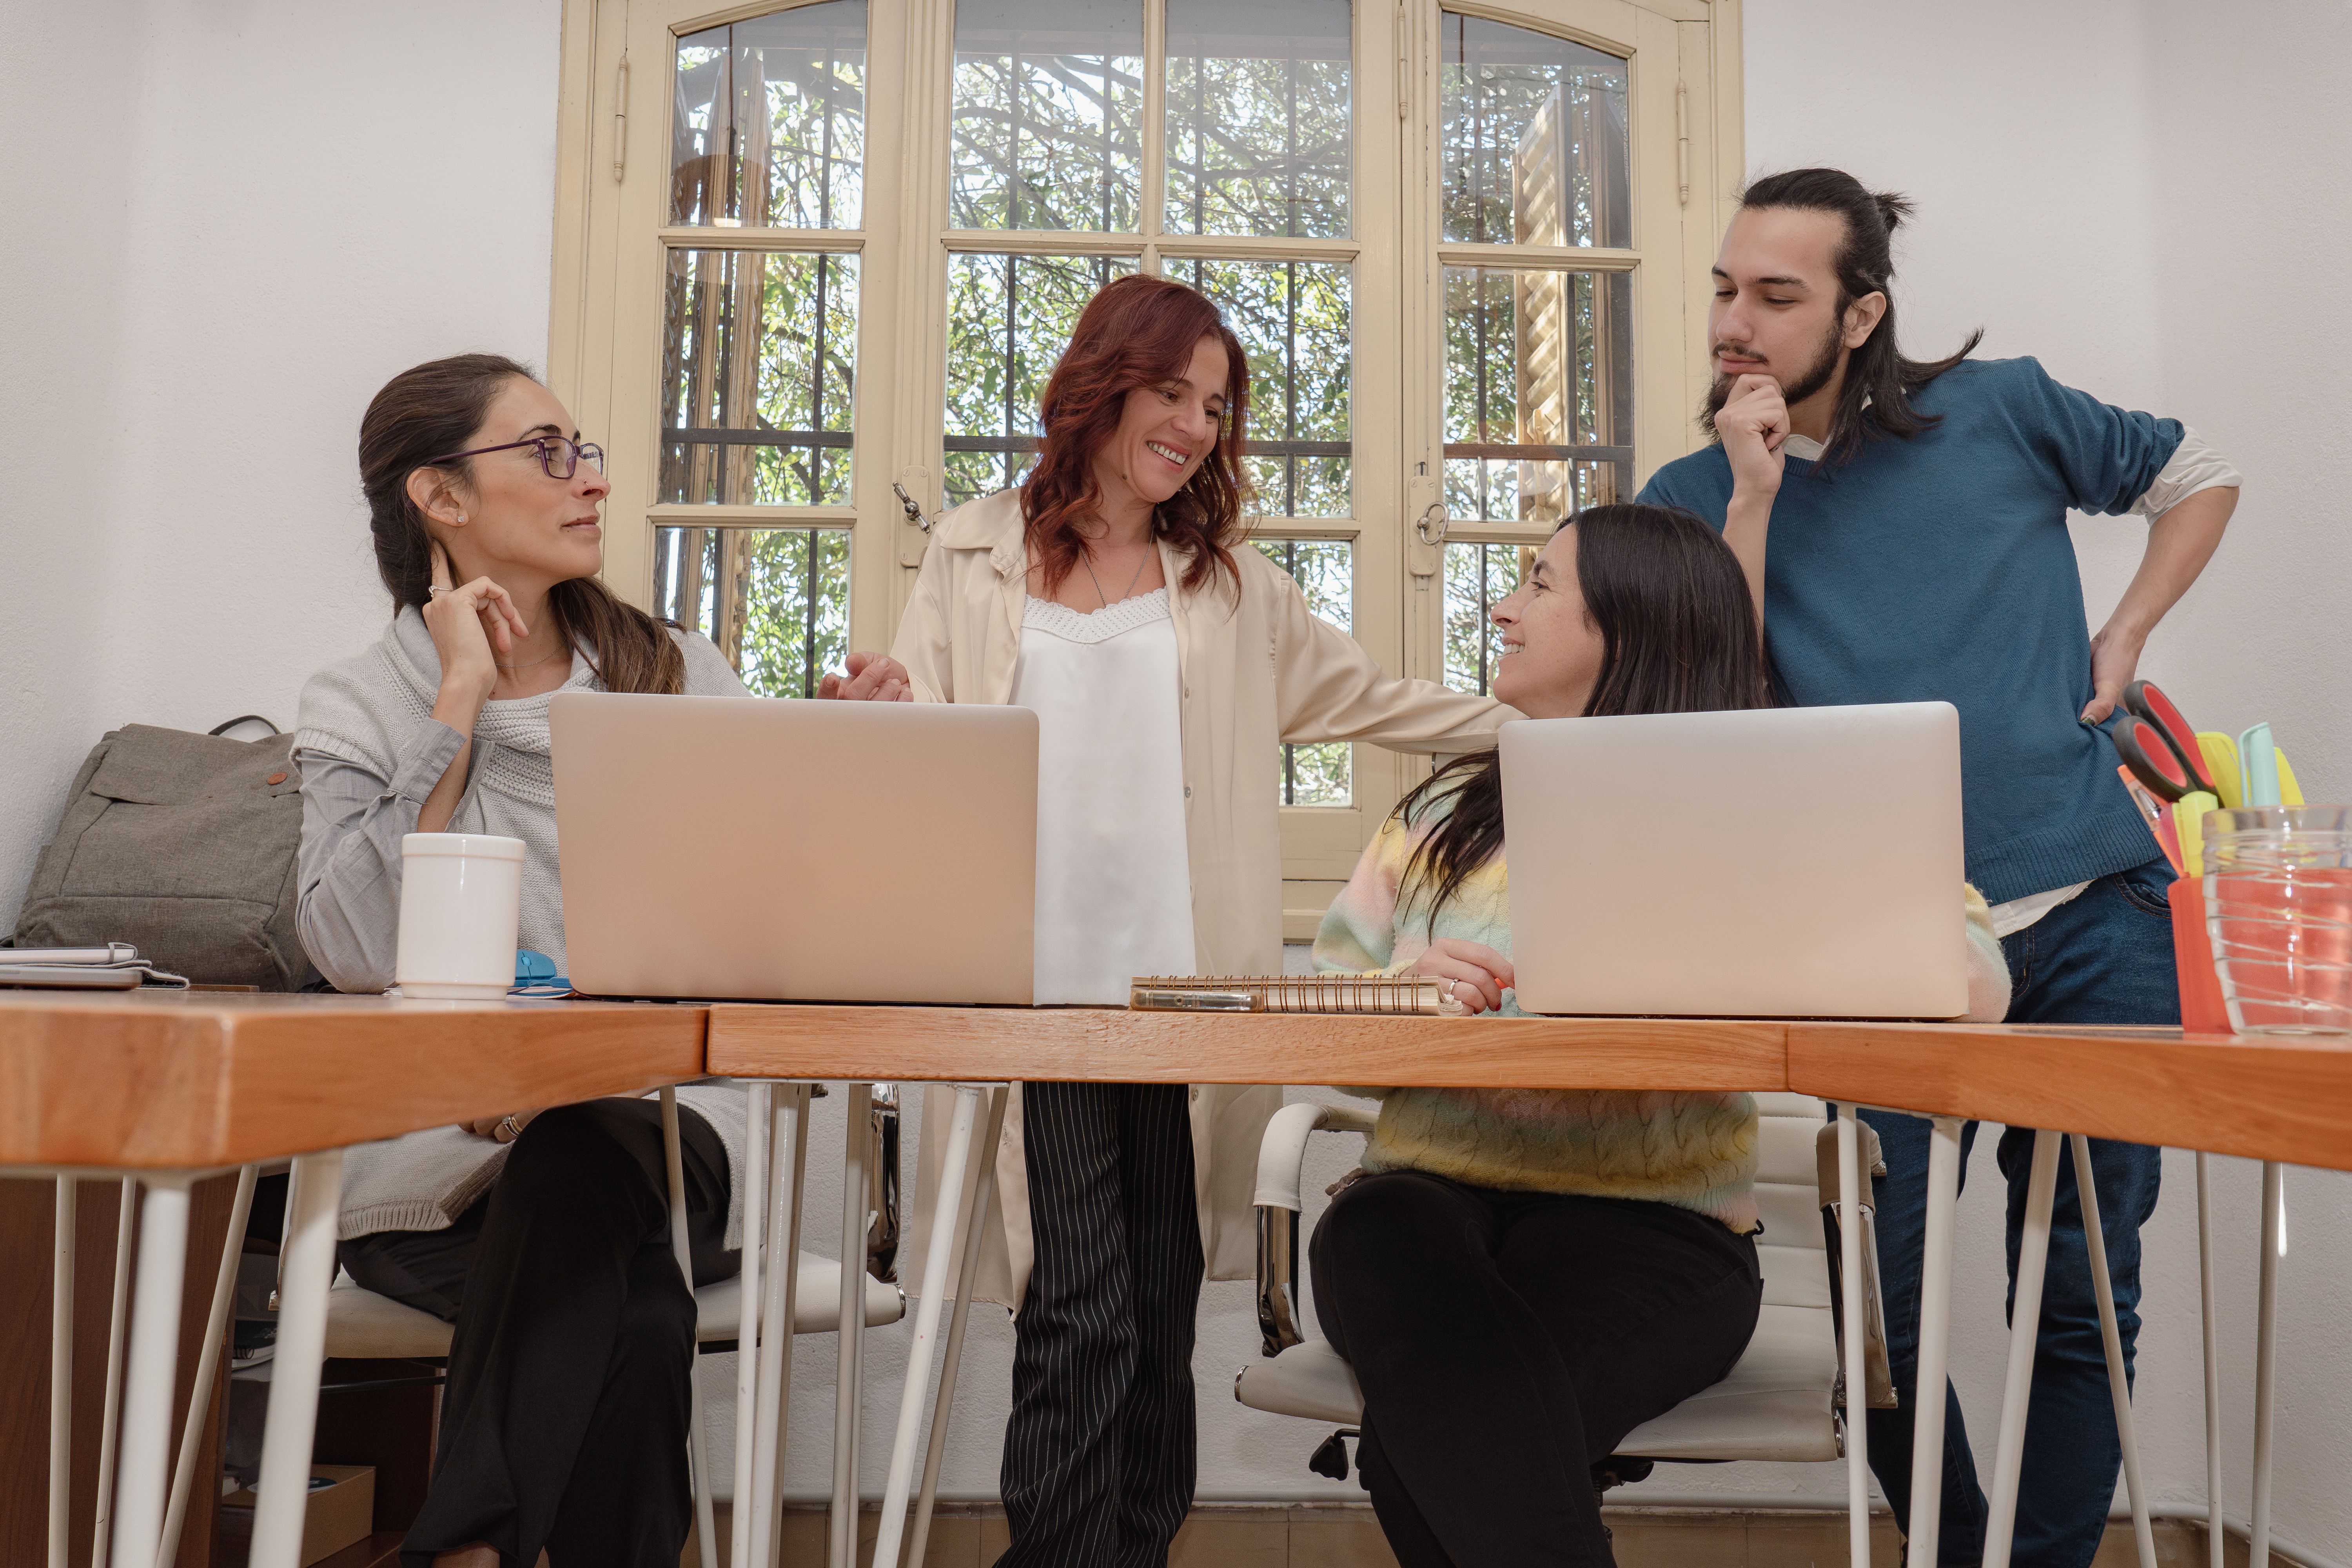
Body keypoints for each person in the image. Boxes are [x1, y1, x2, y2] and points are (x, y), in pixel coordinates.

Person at [822, 273, 1514, 1567]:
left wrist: (1564, 726)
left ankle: (1133, 1545)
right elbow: (925, 736)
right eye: (1174, 392)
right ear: (1105, 382)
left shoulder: (1229, 589)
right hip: (1034, 996)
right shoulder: (973, 551)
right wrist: (883, 708)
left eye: (1216, 406)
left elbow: (1383, 702)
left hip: (1187, 1003)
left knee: (1154, 1305)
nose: (1196, 426)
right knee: (1075, 1307)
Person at [1637, 168, 2241, 1568]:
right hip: (1877, 940)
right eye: (1726, 289)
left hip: (2093, 906)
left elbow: (2198, 473)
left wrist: (2126, 635)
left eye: (1776, 296)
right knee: (1884, 1313)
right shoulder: (1689, 496)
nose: (1737, 320)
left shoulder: (2006, 409)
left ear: (1862, 314)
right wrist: (1750, 497)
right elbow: (1711, 712)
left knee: (2087, 1290)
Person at [1307, 504, 2012, 1568]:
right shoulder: (1438, 819)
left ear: (1631, 626)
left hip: (1657, 1232)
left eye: (1539, 585)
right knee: (1389, 1255)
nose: (1502, 608)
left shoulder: (1768, 813)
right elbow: (1319, 1005)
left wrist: (1850, 946)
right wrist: (1395, 988)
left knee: (1437, 1421)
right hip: (1416, 1203)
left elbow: (1973, 974)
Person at [293, 353, 751, 1568]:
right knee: (639, 1315)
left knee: (579, 1142)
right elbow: (346, 945)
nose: (590, 480)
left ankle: (463, 1543)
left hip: (660, 1137)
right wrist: (458, 702)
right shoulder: (361, 703)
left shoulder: (683, 680)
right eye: (546, 453)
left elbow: (769, 930)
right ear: (438, 498)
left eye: (583, 449)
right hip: (438, 1177)